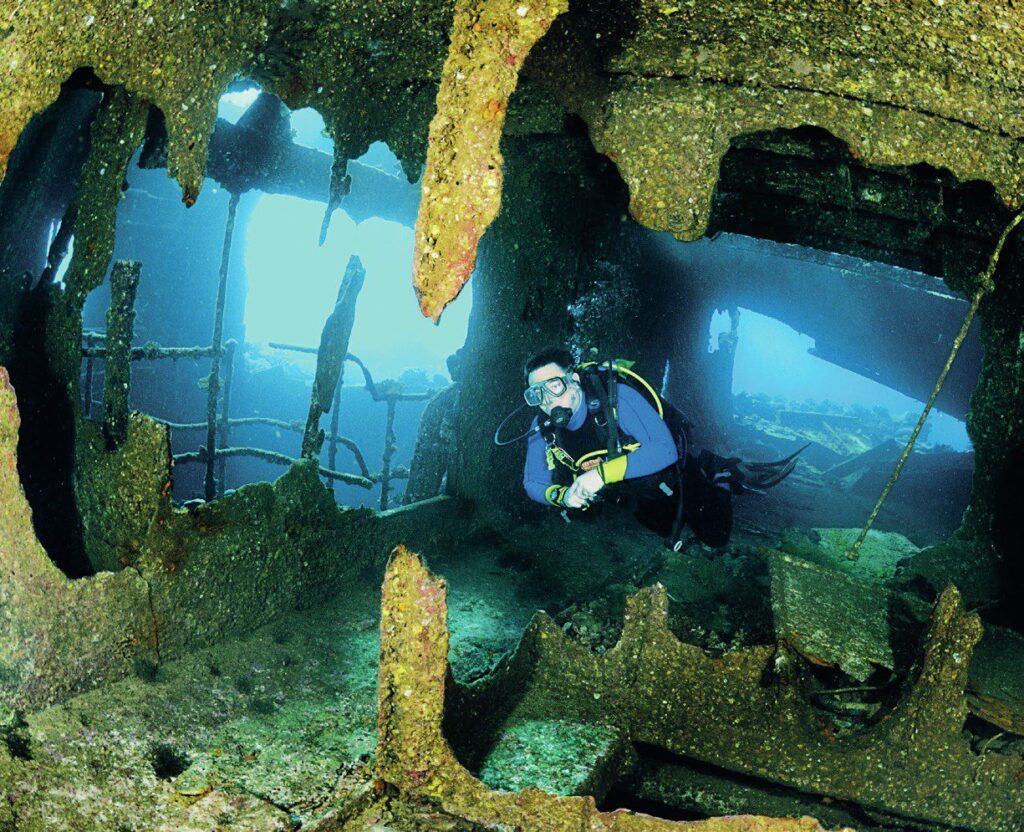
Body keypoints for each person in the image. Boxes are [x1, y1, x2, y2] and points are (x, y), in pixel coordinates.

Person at [521, 347, 803, 548]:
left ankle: (721, 473)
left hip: (670, 472)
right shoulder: (542, 426)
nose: (547, 399)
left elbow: (663, 449)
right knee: (668, 531)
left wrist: (599, 476)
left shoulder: (617, 399)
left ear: (575, 380)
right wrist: (563, 495)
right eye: (536, 393)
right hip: (633, 491)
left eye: (554, 385)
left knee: (715, 537)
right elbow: (532, 481)